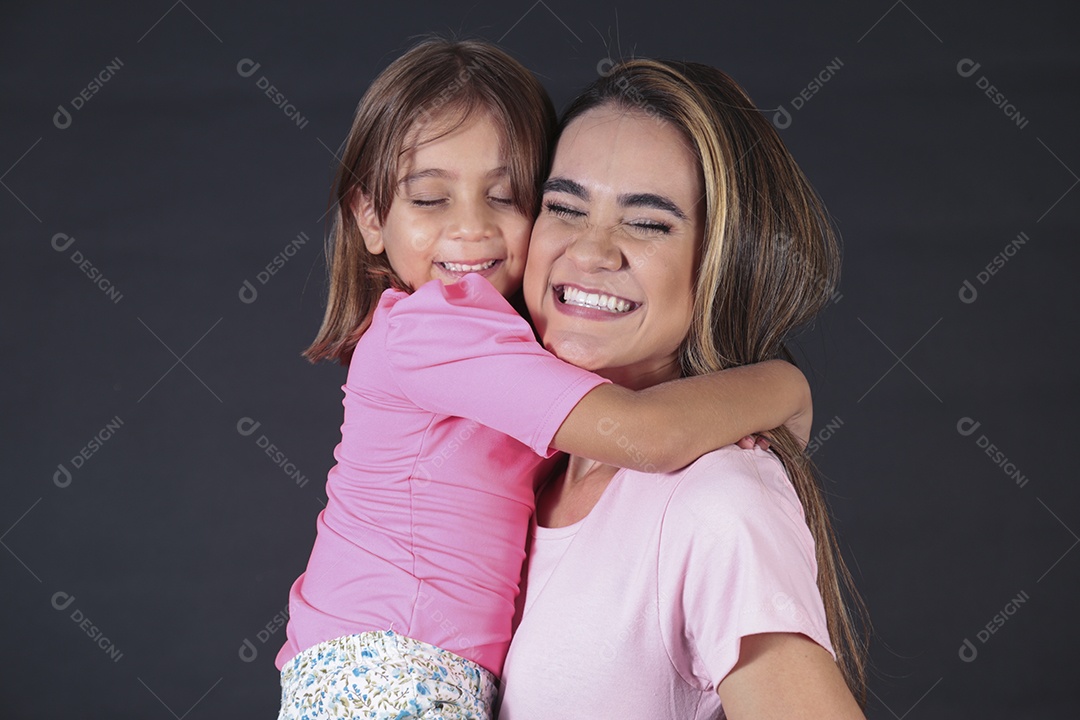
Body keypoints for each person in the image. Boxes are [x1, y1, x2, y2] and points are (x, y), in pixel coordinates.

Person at [275, 39, 813, 720]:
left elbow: (657, 434)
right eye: (431, 198)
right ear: (371, 219)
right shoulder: (434, 327)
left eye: (505, 196)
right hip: (384, 670)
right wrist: (789, 390)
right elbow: (651, 432)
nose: (470, 228)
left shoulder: (716, 504)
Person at [497, 59, 869, 719]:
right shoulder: (507, 469)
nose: (591, 251)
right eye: (564, 207)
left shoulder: (717, 502)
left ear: (723, 262)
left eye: (647, 223)